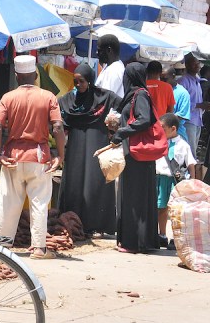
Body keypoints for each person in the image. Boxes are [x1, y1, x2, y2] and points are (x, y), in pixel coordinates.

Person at [0, 54, 65, 260]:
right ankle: (39, 248)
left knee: (8, 203)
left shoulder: (8, 97)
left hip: (13, 156)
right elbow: (58, 126)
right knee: (39, 203)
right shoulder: (48, 96)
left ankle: (1, 247)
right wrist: (60, 155)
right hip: (39, 156)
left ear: (16, 76)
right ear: (34, 75)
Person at [58, 63, 120, 237]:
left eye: (82, 81)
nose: (78, 85)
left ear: (90, 81)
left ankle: (96, 224)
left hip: (97, 141)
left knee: (95, 181)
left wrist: (115, 123)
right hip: (76, 143)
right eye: (75, 81)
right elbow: (55, 110)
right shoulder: (69, 99)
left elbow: (125, 105)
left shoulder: (104, 96)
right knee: (75, 181)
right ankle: (73, 222)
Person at [105, 63, 159, 254]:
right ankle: (138, 240)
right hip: (135, 153)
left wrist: (122, 131)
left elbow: (144, 119)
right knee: (134, 195)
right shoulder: (136, 94)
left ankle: (135, 242)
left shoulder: (141, 94)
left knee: (134, 196)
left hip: (138, 155)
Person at [154, 112, 196, 249]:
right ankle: (162, 235)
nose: (160, 131)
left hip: (175, 182)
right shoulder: (158, 143)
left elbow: (190, 164)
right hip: (160, 179)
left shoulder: (183, 145)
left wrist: (192, 182)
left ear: (173, 129)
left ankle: (174, 238)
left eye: (163, 129)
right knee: (161, 208)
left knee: (175, 211)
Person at [178, 54, 208, 156]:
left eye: (198, 63)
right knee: (190, 152)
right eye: (194, 63)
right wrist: (199, 105)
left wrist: (204, 106)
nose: (197, 66)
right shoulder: (183, 81)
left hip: (198, 120)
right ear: (187, 65)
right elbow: (182, 103)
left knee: (193, 151)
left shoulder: (197, 80)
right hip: (188, 121)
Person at [162, 66, 191, 143]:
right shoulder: (160, 90)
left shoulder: (182, 93)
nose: (162, 82)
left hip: (176, 134)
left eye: (165, 79)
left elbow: (181, 115)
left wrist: (163, 121)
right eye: (161, 79)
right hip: (161, 133)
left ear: (173, 76)